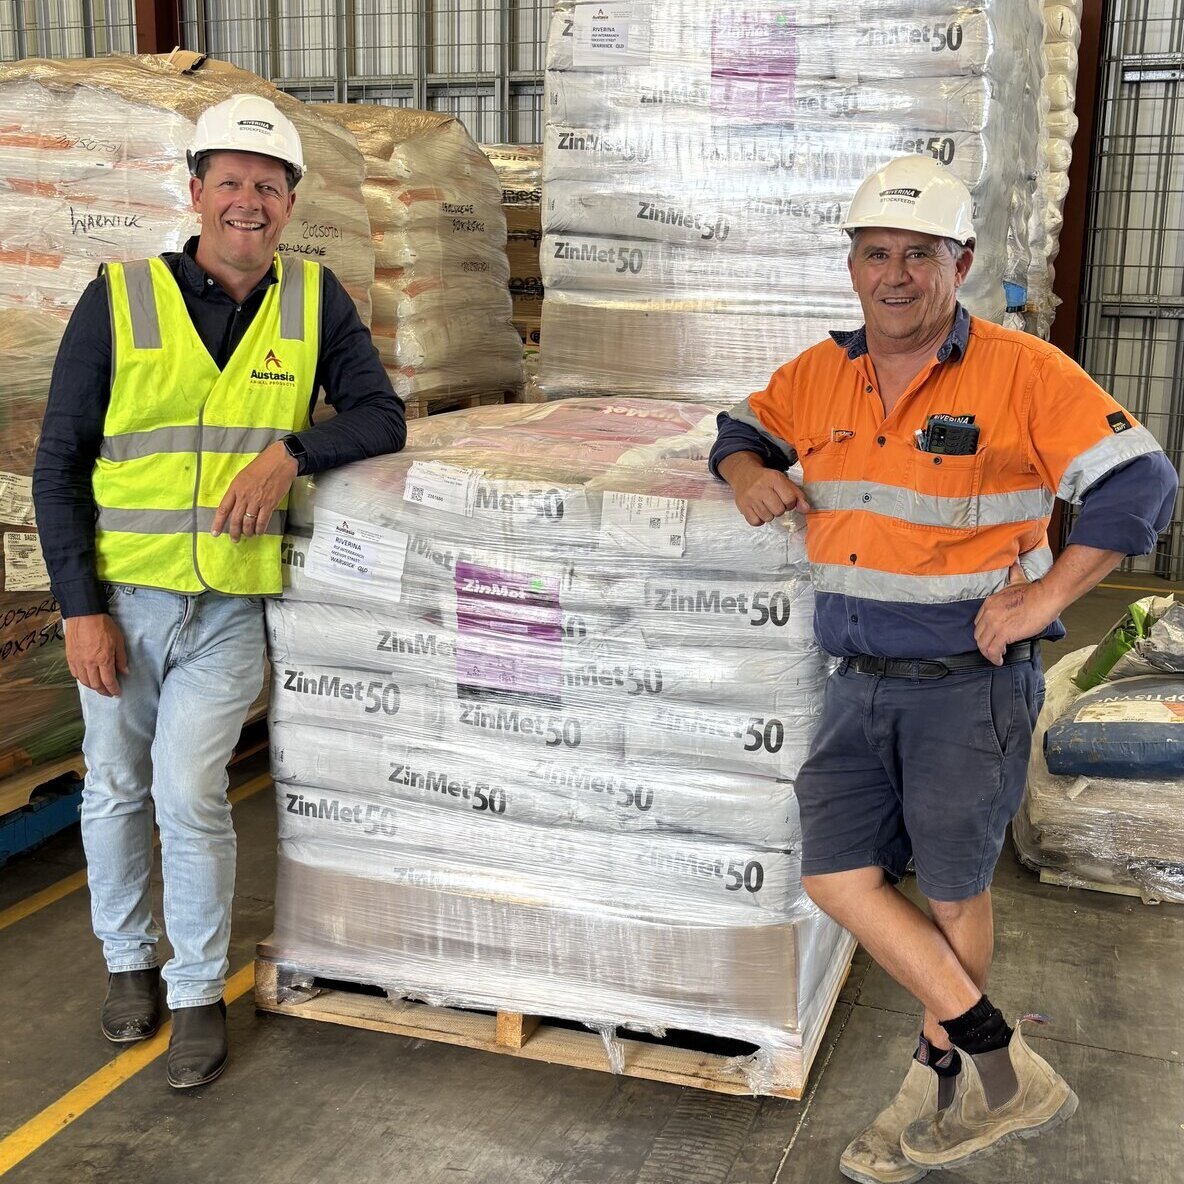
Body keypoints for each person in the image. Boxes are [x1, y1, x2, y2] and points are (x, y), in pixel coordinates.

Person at [710, 155, 1177, 1181]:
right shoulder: (819, 373)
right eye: (875, 253)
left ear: (959, 263)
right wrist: (746, 469)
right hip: (853, 682)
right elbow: (739, 428)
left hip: (968, 692)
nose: (895, 275)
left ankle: (939, 1082)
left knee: (957, 893)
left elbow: (1141, 481)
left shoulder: (1021, 372)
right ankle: (1002, 1064)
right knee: (836, 873)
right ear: (851, 265)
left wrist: (1045, 599)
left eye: (918, 255)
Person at [32, 93, 406, 1090]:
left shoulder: (313, 301)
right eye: (231, 181)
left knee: (189, 792)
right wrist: (79, 611)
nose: (250, 202)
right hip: (123, 605)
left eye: (269, 187)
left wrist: (291, 452)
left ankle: (197, 989)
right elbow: (58, 464)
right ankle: (128, 963)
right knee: (114, 787)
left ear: (291, 204)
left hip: (229, 607)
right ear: (195, 191)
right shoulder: (119, 299)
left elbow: (381, 415)